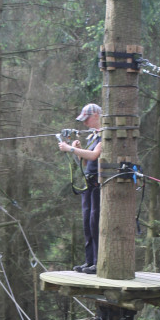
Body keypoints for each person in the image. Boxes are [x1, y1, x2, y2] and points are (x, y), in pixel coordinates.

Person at [58, 103, 102, 274]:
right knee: (86, 222)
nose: (84, 123)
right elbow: (86, 161)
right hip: (87, 182)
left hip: (98, 183)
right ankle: (89, 260)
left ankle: (98, 262)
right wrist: (78, 150)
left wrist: (71, 148)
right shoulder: (92, 136)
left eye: (87, 119)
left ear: (97, 115)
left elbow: (95, 155)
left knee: (94, 221)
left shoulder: (105, 135)